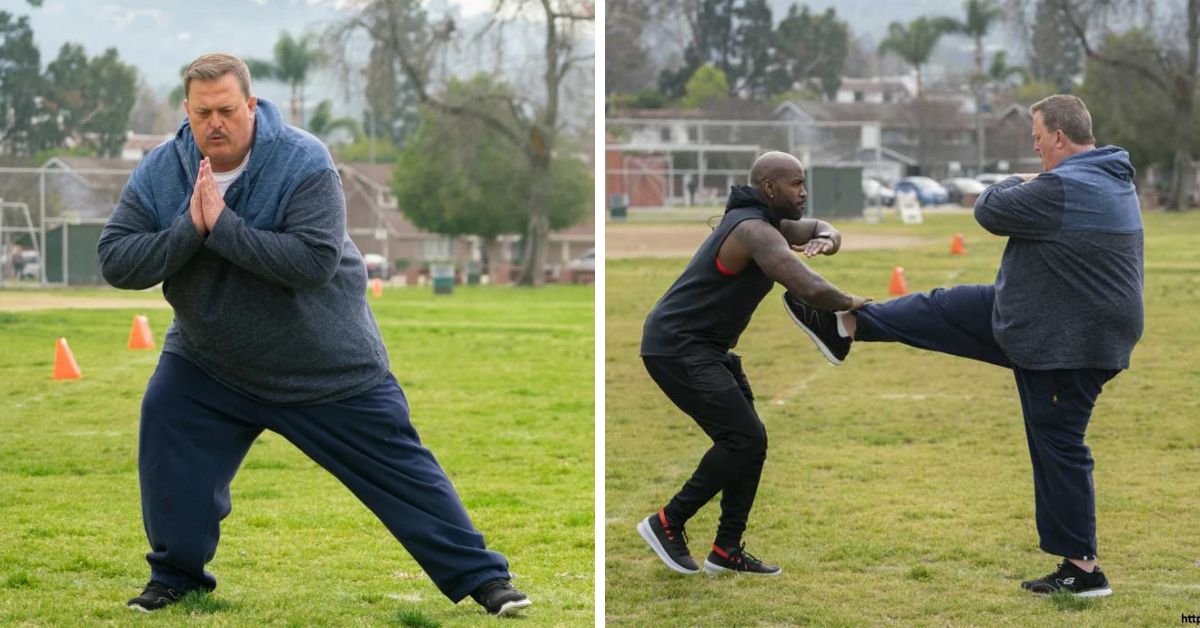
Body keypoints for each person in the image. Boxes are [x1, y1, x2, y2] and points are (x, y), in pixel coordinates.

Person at [97, 53, 530, 617]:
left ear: (250, 105)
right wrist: (190, 228)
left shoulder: (303, 161)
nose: (215, 123)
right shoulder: (161, 170)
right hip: (209, 362)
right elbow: (116, 259)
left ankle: (485, 579)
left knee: (404, 476)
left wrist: (222, 227)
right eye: (203, 113)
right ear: (187, 110)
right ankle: (176, 577)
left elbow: (312, 261)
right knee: (168, 447)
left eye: (227, 109)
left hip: (324, 365)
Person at [783, 95, 1141, 598]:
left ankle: (1083, 571)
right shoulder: (1111, 176)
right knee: (943, 307)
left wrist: (1023, 180)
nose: (1034, 145)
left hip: (1065, 340)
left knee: (1059, 444)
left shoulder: (1064, 186)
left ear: (1060, 137)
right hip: (1042, 314)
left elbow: (988, 209)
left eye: (1037, 136)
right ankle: (845, 326)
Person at [637, 151, 871, 576]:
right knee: (743, 440)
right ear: (769, 188)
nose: (803, 192)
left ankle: (726, 549)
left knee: (751, 443)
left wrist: (828, 238)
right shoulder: (752, 231)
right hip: (677, 346)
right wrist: (854, 304)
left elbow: (821, 228)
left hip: (706, 348)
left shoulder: (769, 224)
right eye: (795, 184)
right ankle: (668, 521)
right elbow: (807, 285)